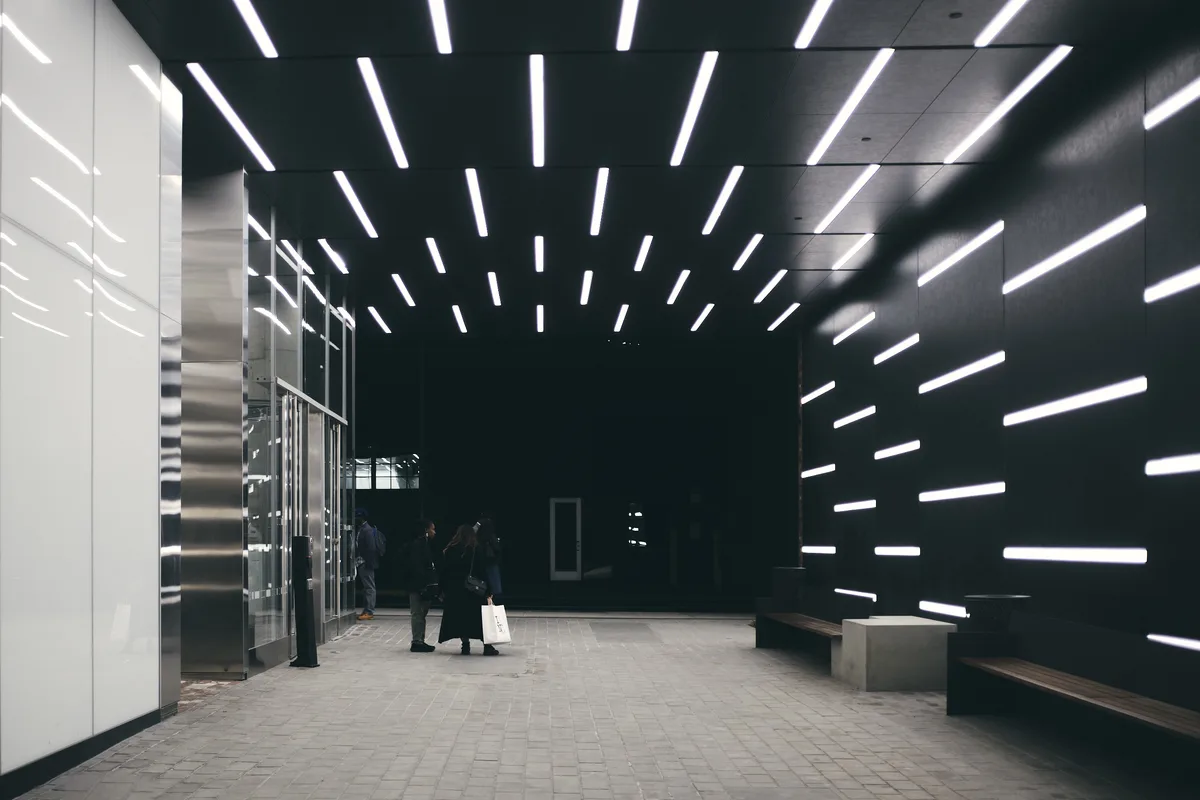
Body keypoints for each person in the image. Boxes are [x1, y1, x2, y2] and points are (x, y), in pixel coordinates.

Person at [438, 524, 499, 656]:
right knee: (479, 618)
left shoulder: (449, 550)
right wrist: (488, 589)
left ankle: (465, 645)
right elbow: (482, 570)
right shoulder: (476, 549)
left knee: (461, 618)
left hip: (455, 590)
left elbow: (444, 572)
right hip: (473, 590)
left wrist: (441, 589)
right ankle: (487, 646)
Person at [404, 519, 439, 653]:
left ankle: (420, 639)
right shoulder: (419, 545)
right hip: (419, 585)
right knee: (418, 613)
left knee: (420, 613)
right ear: (426, 530)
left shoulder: (424, 544)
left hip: (420, 585)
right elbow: (417, 567)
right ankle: (417, 640)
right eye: (432, 529)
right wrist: (424, 584)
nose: (434, 532)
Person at [355, 508, 386, 621]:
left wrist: (368, 563)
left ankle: (369, 611)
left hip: (365, 562)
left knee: (369, 587)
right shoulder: (362, 529)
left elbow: (371, 548)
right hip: (362, 562)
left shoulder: (367, 530)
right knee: (367, 587)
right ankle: (367, 610)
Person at [476, 516, 503, 603]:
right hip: (491, 564)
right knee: (493, 588)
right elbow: (497, 550)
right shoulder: (491, 537)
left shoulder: (478, 539)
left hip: (482, 565)